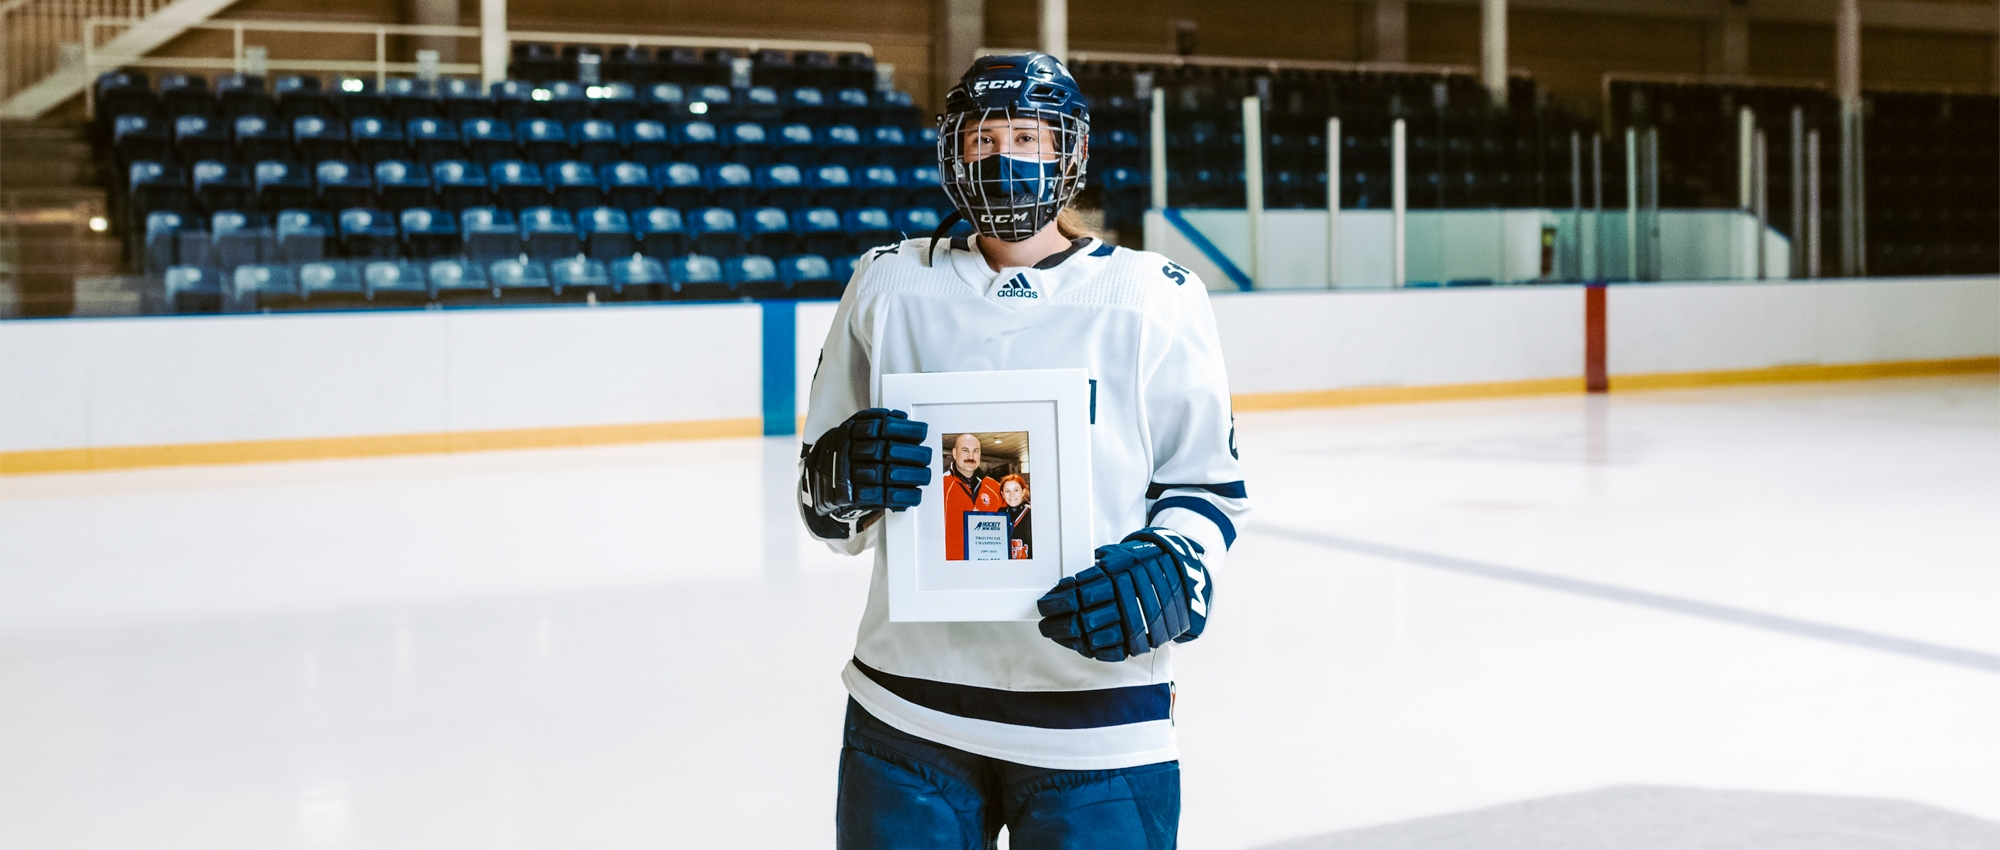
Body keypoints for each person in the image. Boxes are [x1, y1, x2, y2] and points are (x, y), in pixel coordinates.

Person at [797, 51, 1247, 850]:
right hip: (907, 712)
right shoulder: (887, 284)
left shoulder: (1154, 295)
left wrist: (1173, 567)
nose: (1006, 156)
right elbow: (828, 511)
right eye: (985, 137)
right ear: (954, 152)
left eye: (1031, 137)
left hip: (1099, 723)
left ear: (1069, 154)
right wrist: (842, 481)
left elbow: (1207, 487)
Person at [942, 433, 1005, 560]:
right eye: (965, 450)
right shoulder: (940, 485)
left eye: (975, 451)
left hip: (988, 565)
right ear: (954, 453)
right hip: (953, 567)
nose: (971, 456)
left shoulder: (995, 488)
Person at [999, 473, 1031, 559]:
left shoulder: (1032, 515)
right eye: (1007, 491)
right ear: (1002, 494)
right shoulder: (998, 515)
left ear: (1023, 492)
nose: (1012, 494)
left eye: (1016, 490)